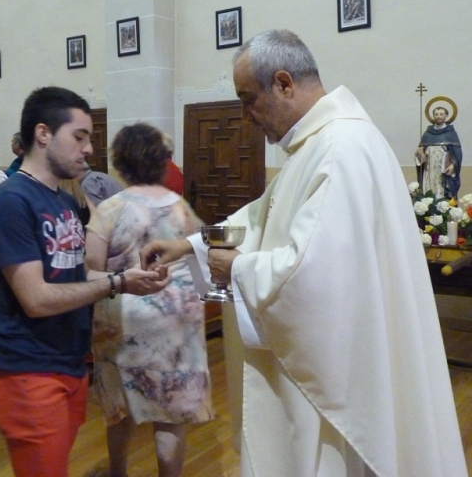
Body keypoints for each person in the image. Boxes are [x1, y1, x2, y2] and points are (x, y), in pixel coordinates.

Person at [141, 29, 467, 477]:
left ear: (283, 83)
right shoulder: (326, 143)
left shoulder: (337, 150)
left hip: (334, 378)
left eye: (247, 98)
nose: (245, 115)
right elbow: (264, 216)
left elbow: (313, 275)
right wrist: (192, 245)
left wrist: (237, 269)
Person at [0, 87, 169, 477]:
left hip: (67, 363)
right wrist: (114, 285)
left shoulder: (63, 202)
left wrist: (128, 279)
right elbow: (36, 298)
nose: (88, 150)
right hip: (27, 371)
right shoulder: (11, 201)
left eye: (90, 140)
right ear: (44, 133)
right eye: (79, 137)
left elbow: (73, 273)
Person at [85, 123, 213, 477]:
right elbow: (202, 257)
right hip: (176, 319)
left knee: (120, 402)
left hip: (124, 319)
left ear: (120, 162)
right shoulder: (181, 207)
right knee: (170, 410)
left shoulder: (110, 209)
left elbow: (90, 270)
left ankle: (117, 471)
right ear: (160, 160)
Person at [415, 105, 462, 199]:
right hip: (429, 170)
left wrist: (453, 165)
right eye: (436, 114)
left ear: (446, 116)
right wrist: (419, 155)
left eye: (441, 114)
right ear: (433, 116)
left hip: (444, 170)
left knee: (442, 191)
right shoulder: (427, 133)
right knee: (429, 190)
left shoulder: (451, 133)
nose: (438, 116)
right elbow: (421, 155)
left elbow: (457, 153)